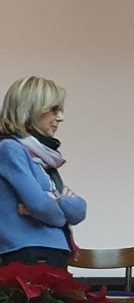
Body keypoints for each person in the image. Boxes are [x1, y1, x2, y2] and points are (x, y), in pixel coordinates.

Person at [0, 76, 86, 268]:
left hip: (51, 251)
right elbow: (42, 207)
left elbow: (80, 210)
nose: (60, 118)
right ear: (30, 109)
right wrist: (58, 205)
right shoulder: (10, 149)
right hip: (26, 252)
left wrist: (54, 200)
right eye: (54, 110)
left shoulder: (42, 158)